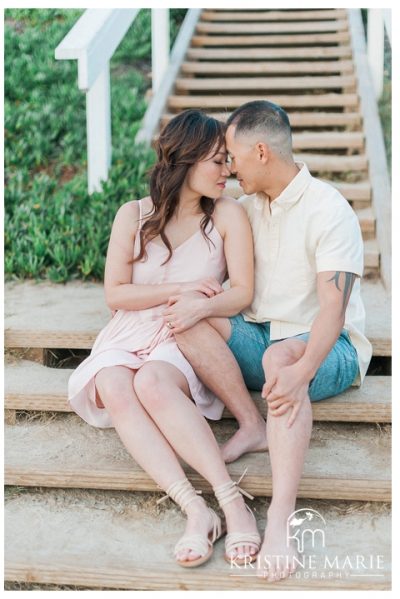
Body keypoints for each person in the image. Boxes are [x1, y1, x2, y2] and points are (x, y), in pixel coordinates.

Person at [171, 100, 370, 581]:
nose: (229, 167)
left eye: (233, 157)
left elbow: (333, 309)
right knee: (190, 320)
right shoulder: (243, 209)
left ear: (261, 151)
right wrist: (199, 300)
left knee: (283, 355)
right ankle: (250, 424)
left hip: (329, 349)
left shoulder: (329, 209)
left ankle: (279, 522)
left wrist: (301, 372)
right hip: (259, 336)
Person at [67, 109, 260, 568]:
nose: (226, 171)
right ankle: (195, 511)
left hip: (184, 331)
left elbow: (242, 292)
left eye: (227, 161)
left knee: (151, 382)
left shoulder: (228, 215)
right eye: (216, 161)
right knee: (114, 383)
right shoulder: (133, 214)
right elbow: (116, 293)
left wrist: (196, 302)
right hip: (130, 328)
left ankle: (232, 502)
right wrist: (180, 287)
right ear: (186, 162)